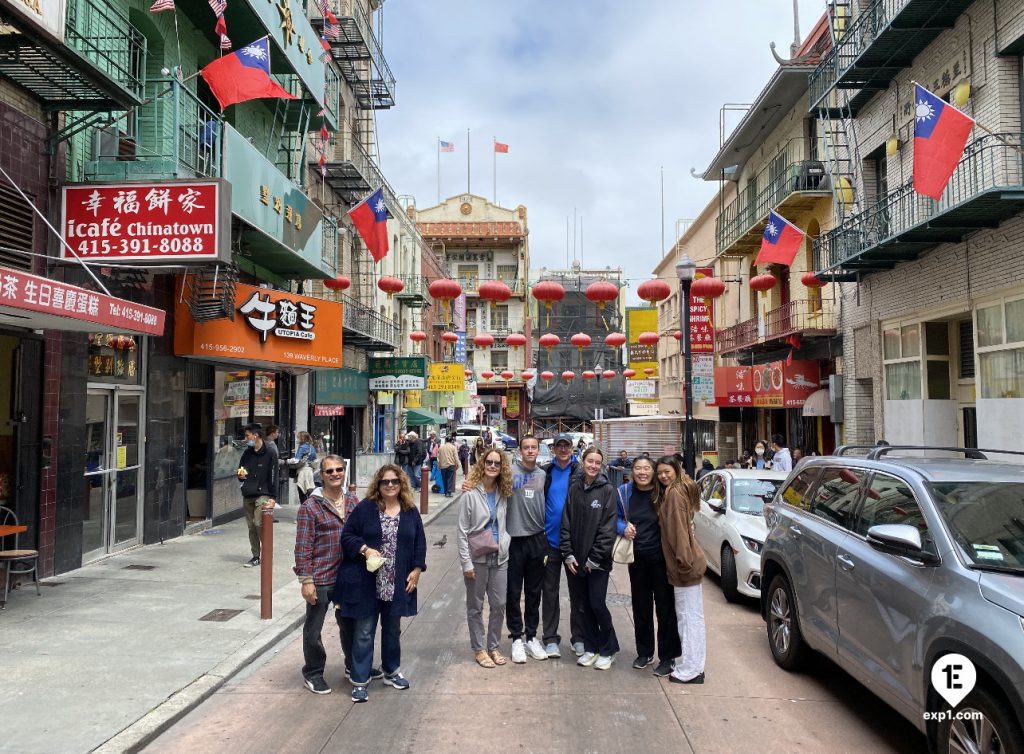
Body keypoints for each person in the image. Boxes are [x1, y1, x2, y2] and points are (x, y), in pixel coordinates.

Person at [337, 465, 426, 703]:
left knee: (392, 630)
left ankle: (391, 671)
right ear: (378, 484)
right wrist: (365, 549)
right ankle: (359, 680)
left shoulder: (409, 511)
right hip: (367, 581)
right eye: (385, 482)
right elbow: (347, 536)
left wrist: (417, 570)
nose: (390, 485)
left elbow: (419, 543)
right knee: (364, 631)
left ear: (401, 484)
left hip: (396, 582)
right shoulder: (365, 508)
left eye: (394, 481)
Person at [617, 456, 679, 677]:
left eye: (646, 468)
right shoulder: (624, 492)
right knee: (641, 607)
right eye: (637, 468)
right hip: (637, 558)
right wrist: (622, 527)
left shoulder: (664, 492)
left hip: (662, 559)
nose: (642, 472)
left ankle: (668, 657)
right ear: (632, 471)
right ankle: (644, 652)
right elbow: (615, 517)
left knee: (665, 608)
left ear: (653, 471)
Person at [294, 455, 352, 695]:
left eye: (339, 469)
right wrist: (306, 580)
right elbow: (303, 546)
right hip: (320, 577)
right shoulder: (311, 506)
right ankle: (314, 672)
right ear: (322, 475)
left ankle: (354, 666)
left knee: (351, 624)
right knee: (314, 628)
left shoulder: (353, 502)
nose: (335, 474)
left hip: (347, 577)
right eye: (329, 471)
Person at [561, 446, 619, 670]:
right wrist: (568, 554)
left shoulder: (607, 491)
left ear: (601, 465)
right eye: (590, 461)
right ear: (582, 462)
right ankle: (592, 647)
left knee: (597, 603)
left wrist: (595, 558)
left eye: (597, 462)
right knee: (583, 605)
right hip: (575, 561)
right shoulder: (574, 488)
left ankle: (609, 648)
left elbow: (608, 529)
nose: (593, 466)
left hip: (598, 563)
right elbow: (565, 522)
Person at [654, 455, 707, 684]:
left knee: (688, 619)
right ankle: (694, 665)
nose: (663, 476)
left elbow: (679, 534)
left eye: (667, 471)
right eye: (660, 473)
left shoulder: (674, 494)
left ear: (676, 470)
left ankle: (691, 669)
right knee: (691, 617)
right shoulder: (680, 489)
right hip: (685, 565)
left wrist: (682, 563)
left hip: (684, 567)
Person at [457, 448, 512, 668]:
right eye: (488, 462)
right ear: (482, 464)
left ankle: (494, 646)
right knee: (475, 606)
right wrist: (465, 562)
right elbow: (462, 531)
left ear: (502, 468)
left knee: (499, 604)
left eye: (497, 463)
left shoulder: (504, 491)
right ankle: (479, 649)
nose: (492, 466)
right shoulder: (470, 494)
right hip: (477, 557)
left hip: (500, 556)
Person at [505, 435, 548, 663]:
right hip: (515, 539)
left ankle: (532, 637)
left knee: (534, 592)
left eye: (534, 447)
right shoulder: (509, 472)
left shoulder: (543, 475)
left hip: (538, 539)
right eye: (526, 447)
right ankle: (516, 639)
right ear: (520, 450)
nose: (530, 451)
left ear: (538, 450)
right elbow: (488, 483)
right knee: (513, 592)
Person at [541, 433, 584, 657]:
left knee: (577, 592)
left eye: (567, 446)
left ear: (573, 448)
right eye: (560, 446)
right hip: (549, 542)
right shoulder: (545, 472)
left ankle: (578, 637)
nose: (563, 449)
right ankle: (550, 638)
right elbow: (516, 484)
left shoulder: (581, 472)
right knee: (549, 592)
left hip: (574, 544)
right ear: (554, 449)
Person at [237, 423, 277, 567]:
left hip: (263, 494)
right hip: (248, 493)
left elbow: (274, 476)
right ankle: (256, 556)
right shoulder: (247, 453)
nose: (246, 439)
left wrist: (273, 497)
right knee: (251, 527)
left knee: (258, 522)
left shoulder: (270, 452)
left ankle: (266, 551)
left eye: (247, 435)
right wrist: (241, 476)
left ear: (256, 435)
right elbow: (241, 469)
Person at [293, 431, 319, 499]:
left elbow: (296, 460)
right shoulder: (311, 447)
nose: (297, 439)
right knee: (309, 491)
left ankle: (304, 507)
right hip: (310, 471)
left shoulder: (302, 447)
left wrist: (287, 461)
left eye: (298, 437)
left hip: (302, 471)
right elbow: (315, 460)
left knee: (302, 492)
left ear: (302, 438)